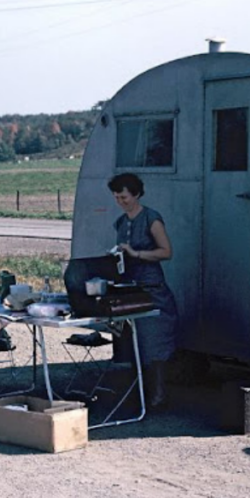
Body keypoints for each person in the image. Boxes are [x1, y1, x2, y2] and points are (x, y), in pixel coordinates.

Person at [107, 172, 178, 409]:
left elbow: (166, 252)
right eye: (117, 198)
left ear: (136, 194)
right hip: (129, 288)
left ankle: (159, 395)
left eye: (124, 197)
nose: (121, 202)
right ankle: (136, 392)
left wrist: (137, 254)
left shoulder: (151, 219)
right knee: (129, 342)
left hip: (151, 289)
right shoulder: (120, 222)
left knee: (154, 343)